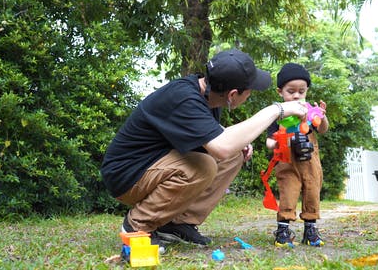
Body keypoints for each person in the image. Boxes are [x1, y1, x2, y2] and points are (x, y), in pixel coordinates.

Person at [101, 49, 308, 254]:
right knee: (205, 165)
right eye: (249, 90)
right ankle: (137, 224)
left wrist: (237, 141)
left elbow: (214, 137)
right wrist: (277, 110)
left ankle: (176, 224)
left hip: (151, 166)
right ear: (232, 94)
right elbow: (222, 146)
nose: (251, 93)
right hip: (126, 175)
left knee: (235, 154)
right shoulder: (184, 98)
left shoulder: (207, 96)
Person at [265, 63, 329, 248]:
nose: (296, 95)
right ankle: (283, 231)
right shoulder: (277, 114)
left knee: (312, 192)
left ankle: (310, 230)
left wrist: (322, 116)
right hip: (287, 163)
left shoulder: (309, 112)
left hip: (310, 162)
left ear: (306, 90)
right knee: (288, 194)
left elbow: (323, 130)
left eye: (301, 91)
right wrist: (276, 141)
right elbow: (269, 141)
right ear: (280, 91)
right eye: (290, 91)